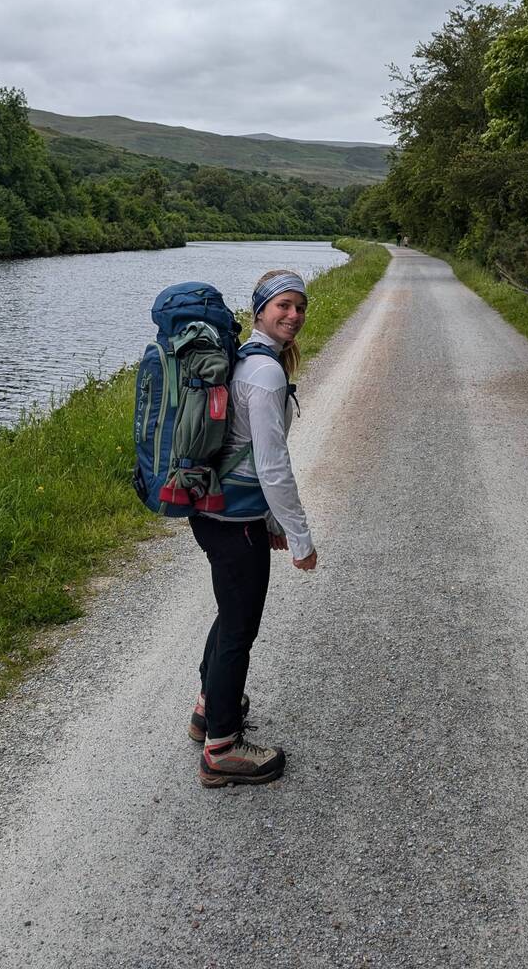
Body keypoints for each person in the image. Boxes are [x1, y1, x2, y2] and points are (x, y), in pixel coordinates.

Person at [188, 268, 318, 788]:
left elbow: (241, 450)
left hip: (215, 512)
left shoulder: (244, 357)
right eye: (282, 305)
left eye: (299, 307)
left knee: (230, 615)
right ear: (259, 309)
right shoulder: (264, 374)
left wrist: (269, 516)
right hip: (234, 519)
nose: (293, 315)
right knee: (240, 630)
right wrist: (300, 535)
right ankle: (222, 748)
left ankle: (207, 709)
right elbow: (271, 465)